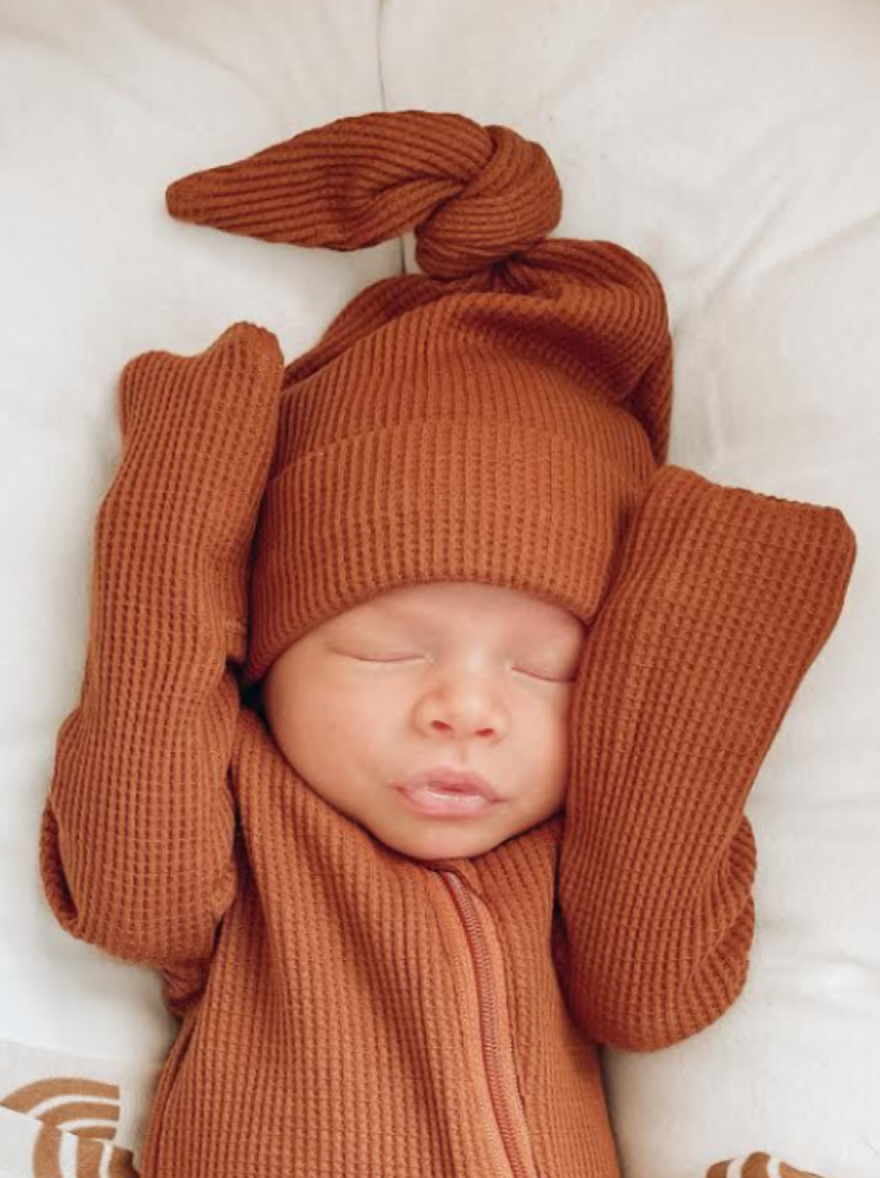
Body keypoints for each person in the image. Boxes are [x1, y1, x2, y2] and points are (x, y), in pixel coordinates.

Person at [38, 110, 856, 1178]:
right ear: (267, 659)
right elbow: (129, 895)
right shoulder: (245, 812)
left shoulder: (580, 856)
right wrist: (177, 527)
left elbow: (651, 998)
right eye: (388, 650)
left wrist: (706, 627)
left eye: (549, 668)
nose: (466, 709)